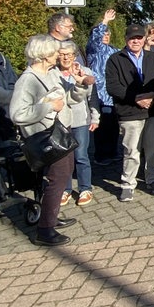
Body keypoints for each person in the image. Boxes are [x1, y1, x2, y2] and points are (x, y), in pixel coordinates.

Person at [9, 34, 85, 247]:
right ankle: (44, 230)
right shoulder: (28, 80)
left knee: (62, 175)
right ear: (43, 55)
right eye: (54, 52)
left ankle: (50, 217)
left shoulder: (51, 74)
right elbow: (17, 113)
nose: (57, 55)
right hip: (46, 138)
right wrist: (49, 107)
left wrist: (79, 86)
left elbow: (68, 98)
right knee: (57, 178)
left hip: (61, 133)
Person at [105, 24, 154, 201]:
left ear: (144, 39)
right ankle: (128, 183)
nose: (136, 41)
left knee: (152, 149)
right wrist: (136, 98)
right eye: (132, 38)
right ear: (126, 39)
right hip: (129, 111)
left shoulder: (153, 57)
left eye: (139, 38)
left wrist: (152, 95)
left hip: (152, 110)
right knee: (131, 150)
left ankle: (153, 179)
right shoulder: (115, 59)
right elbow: (113, 86)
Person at [55, 41, 98, 206]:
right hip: (60, 122)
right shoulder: (52, 73)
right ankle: (65, 189)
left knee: (81, 155)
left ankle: (85, 188)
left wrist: (95, 118)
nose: (65, 57)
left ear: (74, 55)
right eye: (62, 54)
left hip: (80, 120)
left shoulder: (84, 71)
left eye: (69, 54)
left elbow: (92, 97)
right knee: (64, 157)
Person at [87, 9, 120, 165]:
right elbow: (96, 39)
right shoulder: (94, 50)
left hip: (113, 94)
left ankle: (112, 152)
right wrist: (105, 21)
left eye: (108, 34)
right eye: (103, 34)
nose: (106, 36)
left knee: (113, 126)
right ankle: (101, 155)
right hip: (100, 94)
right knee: (102, 126)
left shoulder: (113, 50)